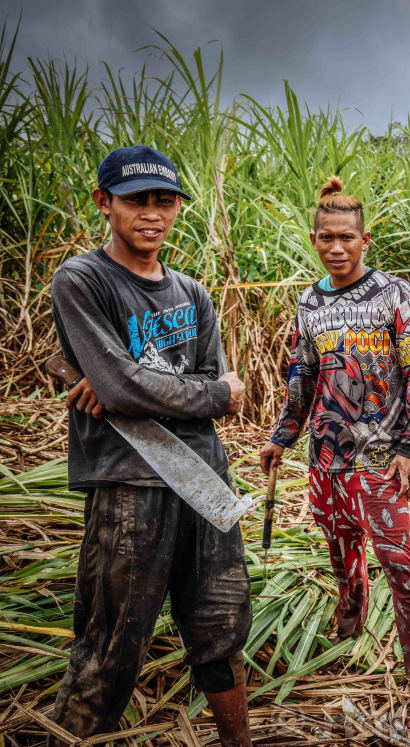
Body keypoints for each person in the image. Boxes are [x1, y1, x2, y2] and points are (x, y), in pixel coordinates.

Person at [49, 145, 252, 745]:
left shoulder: (192, 293)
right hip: (128, 487)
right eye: (137, 199)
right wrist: (202, 393)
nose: (151, 213)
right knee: (110, 648)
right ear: (104, 203)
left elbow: (133, 383)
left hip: (206, 484)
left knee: (221, 631)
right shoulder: (83, 280)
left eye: (164, 201)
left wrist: (129, 388)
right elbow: (197, 388)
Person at [259, 177, 410, 693]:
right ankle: (348, 634)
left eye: (347, 238)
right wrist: (283, 437)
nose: (336, 248)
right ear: (313, 240)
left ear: (364, 241)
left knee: (399, 563)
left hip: (380, 457)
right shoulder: (309, 303)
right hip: (326, 456)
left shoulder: (394, 294)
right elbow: (303, 376)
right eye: (325, 238)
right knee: (342, 554)